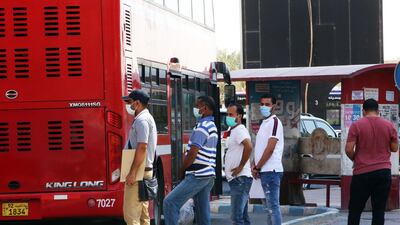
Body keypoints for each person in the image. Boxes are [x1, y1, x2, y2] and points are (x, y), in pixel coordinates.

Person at [163, 96, 217, 225]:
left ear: (204, 108)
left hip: (197, 175)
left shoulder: (202, 127)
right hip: (207, 175)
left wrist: (182, 170)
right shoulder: (211, 125)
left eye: (197, 106)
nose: (195, 109)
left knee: (170, 202)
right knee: (202, 212)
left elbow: (193, 153)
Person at [345, 98, 398, 225]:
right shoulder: (389, 125)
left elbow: (348, 149)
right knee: (379, 211)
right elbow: (394, 148)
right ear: (378, 111)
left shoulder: (356, 125)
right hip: (383, 172)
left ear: (363, 111)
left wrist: (355, 159)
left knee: (355, 210)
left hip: (362, 172)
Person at [122, 89, 157, 225]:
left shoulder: (142, 121)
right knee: (143, 216)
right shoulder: (145, 118)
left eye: (129, 102)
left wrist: (132, 172)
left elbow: (142, 147)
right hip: (143, 172)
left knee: (131, 216)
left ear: (137, 103)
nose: (128, 105)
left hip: (138, 173)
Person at [252, 93, 284, 225]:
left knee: (273, 207)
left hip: (271, 170)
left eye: (267, 104)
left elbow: (270, 149)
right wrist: (255, 165)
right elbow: (260, 147)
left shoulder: (275, 122)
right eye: (262, 104)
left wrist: (257, 166)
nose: (264, 107)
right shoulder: (264, 123)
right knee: (269, 209)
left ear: (274, 106)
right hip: (263, 170)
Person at [224, 103, 253, 225]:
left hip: (240, 179)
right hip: (236, 179)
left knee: (236, 217)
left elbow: (249, 146)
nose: (228, 117)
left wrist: (240, 166)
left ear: (239, 116)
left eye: (231, 114)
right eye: (227, 114)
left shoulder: (240, 130)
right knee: (242, 217)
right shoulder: (233, 130)